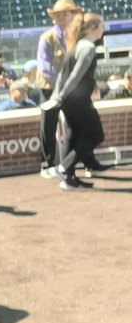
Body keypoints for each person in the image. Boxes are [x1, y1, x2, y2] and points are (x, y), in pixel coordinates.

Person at [50, 12, 110, 190]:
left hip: (70, 100)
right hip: (77, 100)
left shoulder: (77, 45)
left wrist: (58, 95)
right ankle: (64, 168)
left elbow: (63, 74)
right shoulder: (88, 47)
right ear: (93, 28)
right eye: (101, 26)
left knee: (74, 135)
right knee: (95, 134)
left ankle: (69, 178)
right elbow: (76, 75)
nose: (103, 30)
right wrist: (61, 95)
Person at [36, 0, 82, 178]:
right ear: (53, 18)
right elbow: (45, 68)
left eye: (66, 14)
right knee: (48, 126)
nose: (62, 18)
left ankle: (71, 164)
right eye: (58, 15)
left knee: (74, 125)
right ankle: (46, 165)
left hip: (70, 89)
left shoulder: (77, 37)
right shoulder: (46, 38)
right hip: (50, 89)